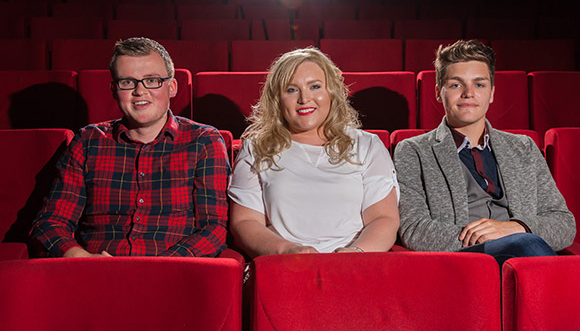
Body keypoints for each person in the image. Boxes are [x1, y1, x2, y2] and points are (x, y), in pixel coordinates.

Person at [31, 37, 230, 257]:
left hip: (175, 277)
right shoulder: (88, 141)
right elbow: (50, 223)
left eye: (152, 80)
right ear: (114, 90)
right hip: (95, 275)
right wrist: (81, 258)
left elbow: (214, 228)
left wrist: (160, 268)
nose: (140, 91)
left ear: (172, 87)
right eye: (127, 82)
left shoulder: (204, 141)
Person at [394, 39, 575, 264]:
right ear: (439, 93)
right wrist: (486, 238)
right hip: (464, 263)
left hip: (528, 259)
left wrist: (516, 228)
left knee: (528, 245)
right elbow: (414, 229)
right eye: (456, 85)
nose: (468, 93)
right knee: (527, 245)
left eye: (479, 84)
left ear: (491, 93)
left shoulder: (524, 147)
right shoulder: (414, 151)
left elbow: (564, 223)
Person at [228, 47, 400, 257]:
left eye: (315, 86)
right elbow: (245, 222)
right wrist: (288, 251)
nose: (304, 99)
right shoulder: (256, 148)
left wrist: (354, 254)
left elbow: (383, 218)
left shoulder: (367, 145)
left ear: (331, 91)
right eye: (291, 90)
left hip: (356, 263)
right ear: (277, 99)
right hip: (284, 263)